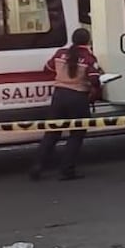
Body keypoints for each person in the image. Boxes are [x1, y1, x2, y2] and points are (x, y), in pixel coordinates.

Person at [29, 28, 103, 181]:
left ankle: (37, 166)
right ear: (88, 41)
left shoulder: (60, 53)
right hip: (77, 98)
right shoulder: (89, 58)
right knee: (76, 135)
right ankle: (67, 169)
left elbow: (47, 68)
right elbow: (95, 79)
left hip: (59, 96)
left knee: (51, 133)